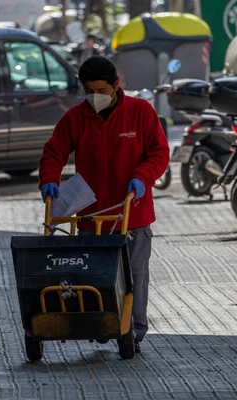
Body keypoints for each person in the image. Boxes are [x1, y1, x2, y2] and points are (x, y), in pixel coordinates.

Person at [38, 56, 169, 353]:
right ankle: (99, 325)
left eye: (100, 89)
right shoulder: (76, 117)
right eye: (88, 90)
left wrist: (142, 178)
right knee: (93, 277)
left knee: (134, 277)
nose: (94, 96)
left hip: (132, 215)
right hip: (90, 217)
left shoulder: (140, 112)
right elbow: (53, 153)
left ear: (115, 85)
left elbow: (159, 153)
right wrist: (49, 180)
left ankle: (133, 332)